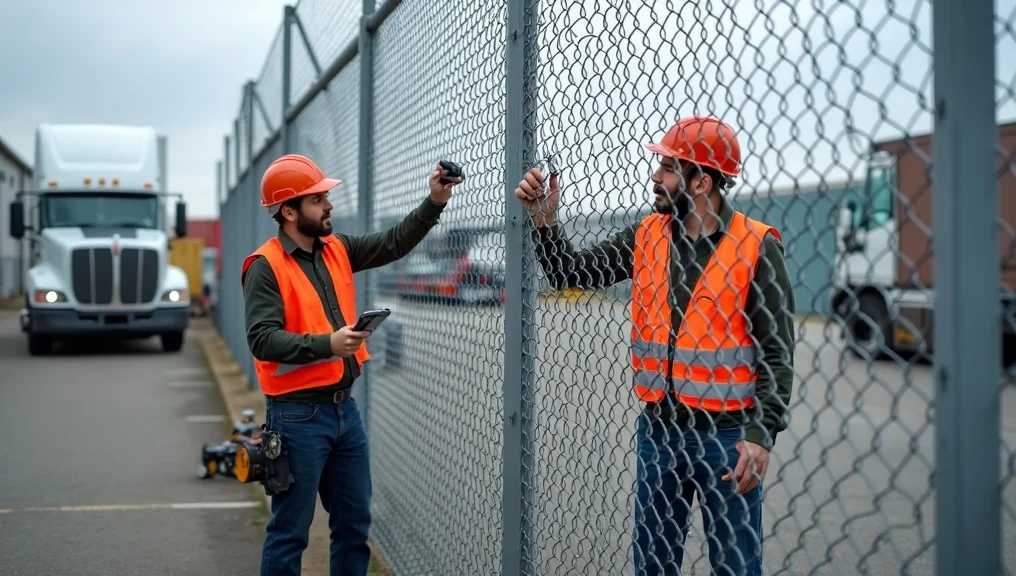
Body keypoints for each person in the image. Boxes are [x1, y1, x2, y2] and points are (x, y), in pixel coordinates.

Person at [515, 116, 795, 576]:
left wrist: (760, 437)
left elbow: (777, 354)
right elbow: (571, 274)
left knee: (736, 566)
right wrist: (546, 224)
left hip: (727, 438)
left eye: (667, 168)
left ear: (701, 180)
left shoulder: (757, 246)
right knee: (653, 563)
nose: (655, 177)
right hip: (660, 431)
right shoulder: (646, 234)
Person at [242, 153, 461, 576]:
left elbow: (394, 242)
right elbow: (261, 338)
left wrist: (435, 200)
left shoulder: (336, 249)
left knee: (354, 528)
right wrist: (330, 343)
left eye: (325, 197)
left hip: (345, 412)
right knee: (290, 532)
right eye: (317, 199)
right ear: (288, 211)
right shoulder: (264, 266)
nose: (329, 205)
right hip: (296, 416)